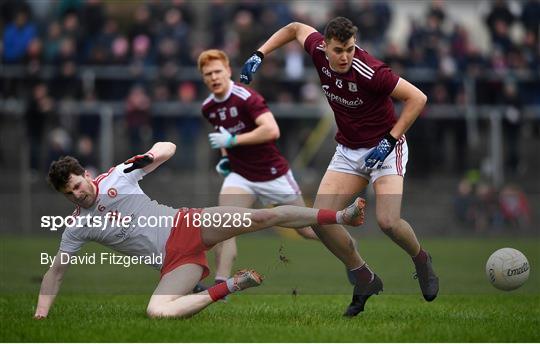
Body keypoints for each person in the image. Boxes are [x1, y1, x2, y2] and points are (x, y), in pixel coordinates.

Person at [239, 17, 439, 316]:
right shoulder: (317, 50)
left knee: (388, 222)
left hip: (386, 148)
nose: (345, 56)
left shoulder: (370, 69)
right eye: (338, 50)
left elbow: (417, 98)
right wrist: (260, 53)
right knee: (320, 220)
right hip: (348, 151)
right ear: (325, 47)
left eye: (349, 48)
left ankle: (421, 259)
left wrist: (389, 140)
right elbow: (294, 28)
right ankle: (364, 276)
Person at [34, 142, 366, 319]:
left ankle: (341, 215)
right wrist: (40, 315)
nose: (78, 194)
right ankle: (232, 285)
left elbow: (169, 147)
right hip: (176, 265)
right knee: (157, 312)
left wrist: (148, 156)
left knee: (264, 218)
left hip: (189, 225)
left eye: (77, 185)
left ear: (84, 174)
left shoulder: (118, 176)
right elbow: (56, 272)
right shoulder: (77, 225)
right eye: (69, 193)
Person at [197, 49, 318, 288]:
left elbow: (271, 130)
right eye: (208, 73)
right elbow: (223, 134)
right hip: (240, 175)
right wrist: (225, 157)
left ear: (228, 71)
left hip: (272, 174)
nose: (214, 77)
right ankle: (221, 286)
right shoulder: (208, 107)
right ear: (203, 77)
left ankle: (349, 249)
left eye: (218, 71)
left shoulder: (246, 97)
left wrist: (232, 142)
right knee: (224, 225)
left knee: (306, 230)